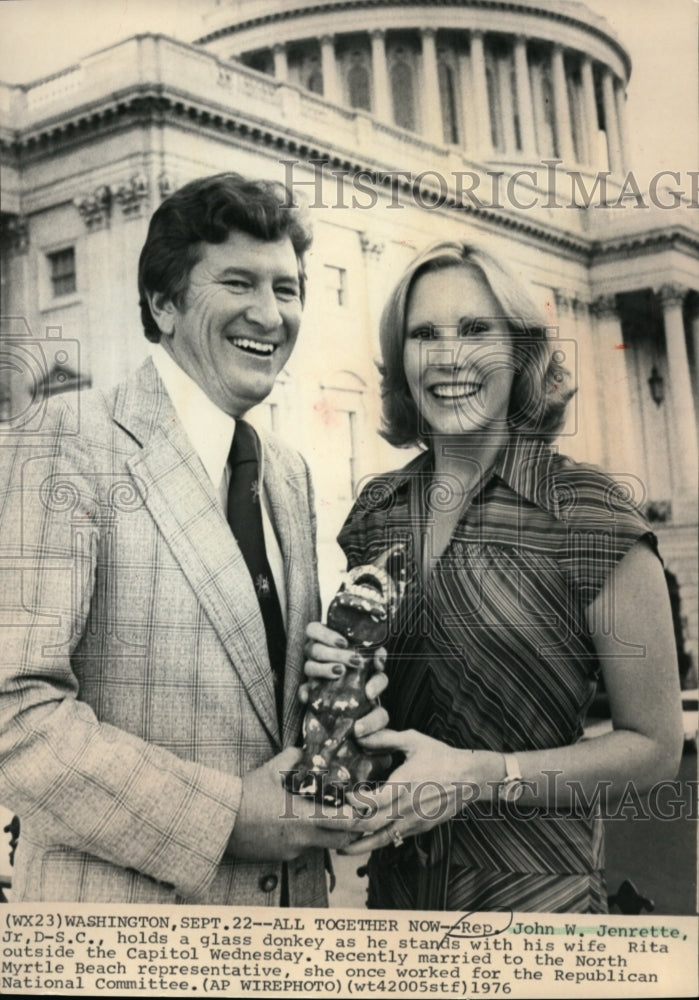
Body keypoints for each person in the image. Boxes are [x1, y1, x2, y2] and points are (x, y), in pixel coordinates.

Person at [0, 172, 387, 905]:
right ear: (163, 302)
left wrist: (342, 713)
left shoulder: (288, 473)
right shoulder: (60, 442)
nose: (269, 315)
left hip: (290, 930)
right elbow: (14, 715)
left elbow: (263, 705)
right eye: (238, 282)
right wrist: (231, 816)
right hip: (125, 944)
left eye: (287, 287)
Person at [305, 239, 683, 912]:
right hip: (394, 906)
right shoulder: (375, 513)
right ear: (401, 361)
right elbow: (374, 714)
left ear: (521, 352)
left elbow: (654, 750)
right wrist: (337, 688)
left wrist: (484, 776)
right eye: (424, 334)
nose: (449, 356)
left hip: (539, 907)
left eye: (476, 330)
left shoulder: (591, 514)